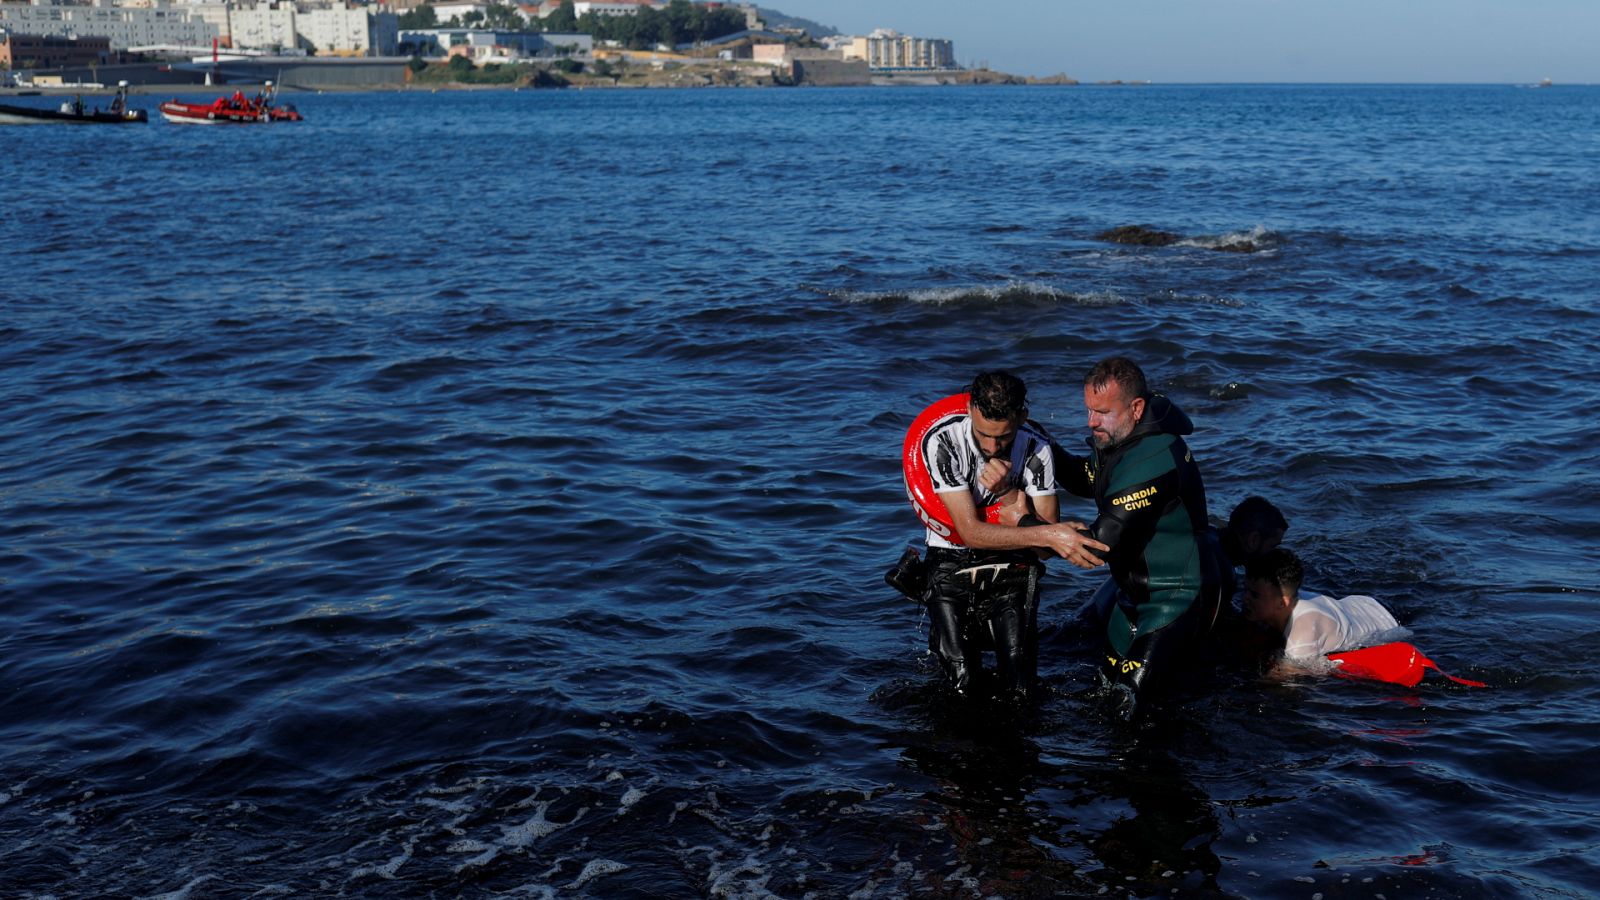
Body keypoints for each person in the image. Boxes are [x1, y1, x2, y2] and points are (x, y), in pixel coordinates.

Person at [1043, 357, 1219, 719]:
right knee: (1105, 697)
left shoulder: (1152, 459)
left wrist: (1024, 523)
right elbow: (1086, 477)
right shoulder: (1121, 438)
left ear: (1136, 408)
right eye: (1089, 410)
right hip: (1132, 596)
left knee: (1134, 710)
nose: (1092, 422)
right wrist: (1041, 443)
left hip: (1174, 598)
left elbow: (1097, 547)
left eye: (1102, 412)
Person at [916, 370, 1108, 702]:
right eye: (983, 435)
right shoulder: (943, 441)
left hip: (1014, 564)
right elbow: (971, 532)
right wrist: (1048, 534)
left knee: (1021, 684)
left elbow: (1046, 551)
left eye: (1003, 438)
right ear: (971, 411)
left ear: (1022, 416)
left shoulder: (1036, 448)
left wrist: (1007, 493)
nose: (992, 447)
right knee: (962, 682)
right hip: (950, 559)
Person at [1241, 548, 1410, 675]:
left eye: (1254, 595)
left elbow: (1283, 685)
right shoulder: (1286, 600)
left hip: (1387, 624)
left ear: (1282, 603)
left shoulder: (1302, 634)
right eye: (1245, 590)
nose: (1245, 598)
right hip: (1364, 604)